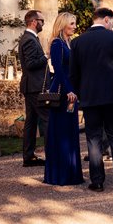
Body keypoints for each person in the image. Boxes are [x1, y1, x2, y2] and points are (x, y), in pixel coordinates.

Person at [70, 7, 113, 192]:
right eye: (112, 21)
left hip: (90, 97)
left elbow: (73, 74)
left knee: (93, 138)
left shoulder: (78, 42)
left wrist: (78, 94)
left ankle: (97, 181)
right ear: (106, 19)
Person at [44, 12, 83, 186]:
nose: (75, 27)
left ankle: (71, 173)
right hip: (62, 93)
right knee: (61, 133)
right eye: (72, 24)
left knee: (71, 132)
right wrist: (68, 91)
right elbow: (58, 70)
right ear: (63, 25)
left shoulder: (69, 43)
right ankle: (59, 175)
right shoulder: (57, 43)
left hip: (71, 91)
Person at [18, 9, 49, 167]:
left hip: (31, 86)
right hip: (34, 86)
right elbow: (30, 64)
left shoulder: (30, 38)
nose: (43, 23)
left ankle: (28, 156)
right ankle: (52, 154)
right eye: (41, 21)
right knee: (46, 120)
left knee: (31, 122)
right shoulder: (29, 39)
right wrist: (46, 56)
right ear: (34, 21)